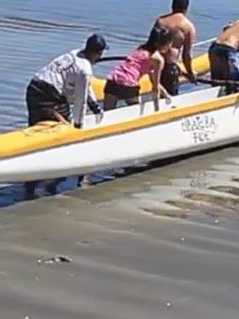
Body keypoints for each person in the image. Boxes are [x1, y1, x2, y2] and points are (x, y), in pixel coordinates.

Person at [23, 33, 108, 198]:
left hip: (33, 88)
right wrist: (78, 126)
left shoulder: (75, 53)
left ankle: (30, 180)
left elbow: (85, 85)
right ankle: (55, 176)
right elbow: (80, 100)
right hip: (49, 96)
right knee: (63, 135)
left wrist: (95, 105)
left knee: (37, 133)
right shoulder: (84, 69)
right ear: (97, 54)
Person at [103, 25, 175, 111]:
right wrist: (157, 109)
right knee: (135, 111)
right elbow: (155, 87)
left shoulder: (140, 49)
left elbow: (154, 81)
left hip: (113, 79)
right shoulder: (158, 59)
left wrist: (166, 95)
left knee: (108, 113)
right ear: (166, 43)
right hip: (129, 84)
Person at [152, 0, 197, 96]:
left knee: (157, 93)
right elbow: (187, 55)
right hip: (169, 67)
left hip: (156, 63)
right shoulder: (188, 26)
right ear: (186, 8)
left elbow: (151, 43)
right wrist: (190, 73)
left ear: (172, 6)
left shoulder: (160, 21)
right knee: (170, 96)